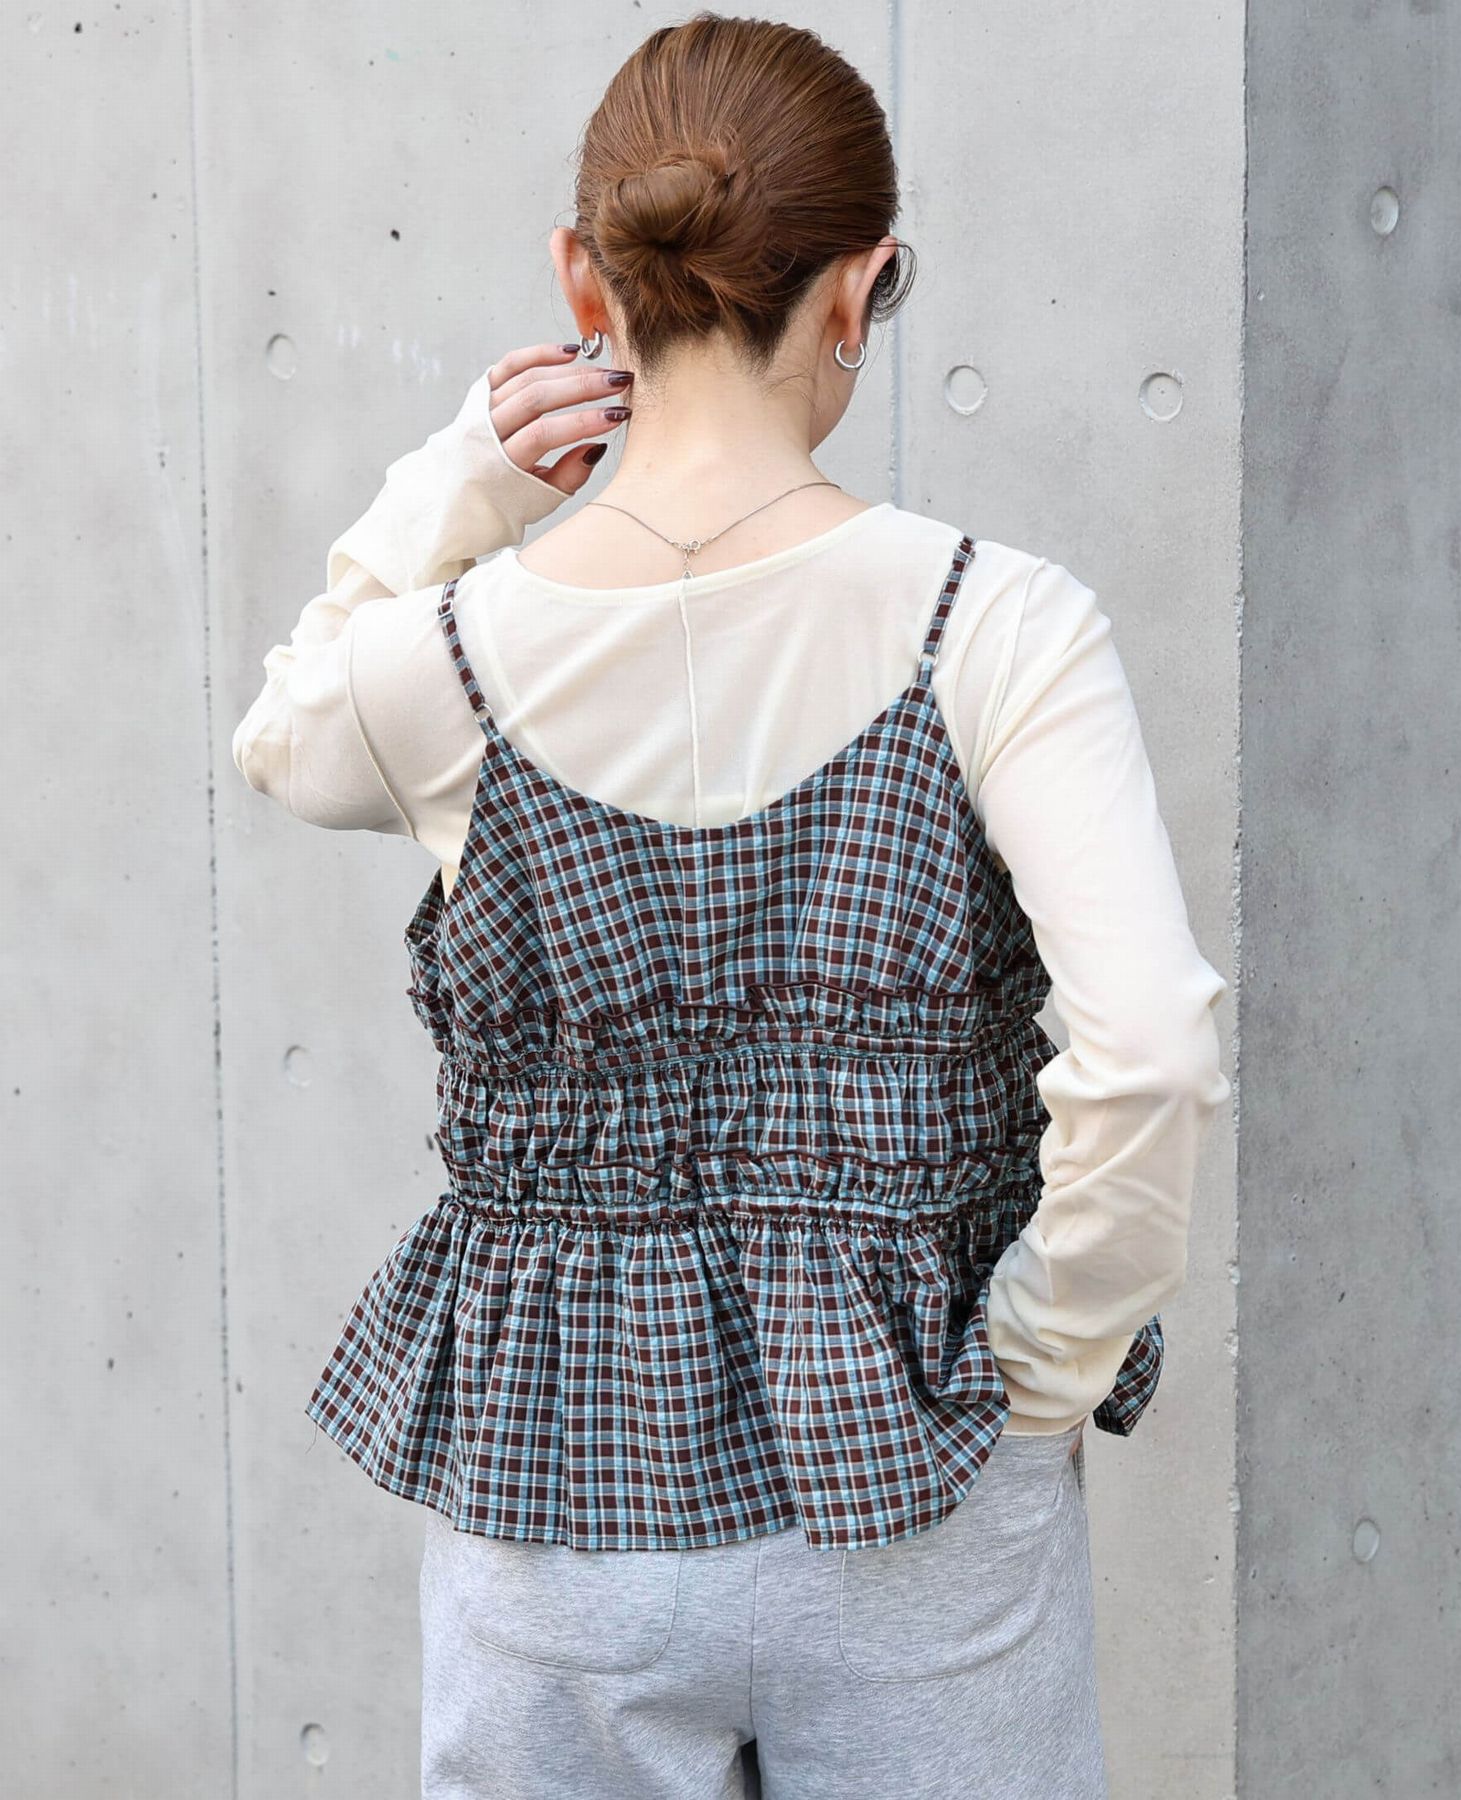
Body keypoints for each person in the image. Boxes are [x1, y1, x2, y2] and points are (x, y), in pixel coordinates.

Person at [231, 13, 1230, 1797]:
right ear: (860, 288)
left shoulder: (448, 661)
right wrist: (1038, 1373)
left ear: (585, 282)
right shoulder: (998, 626)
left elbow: (286, 731)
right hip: (920, 1489)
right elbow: (1149, 1053)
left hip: (560, 1501)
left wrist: (464, 475)